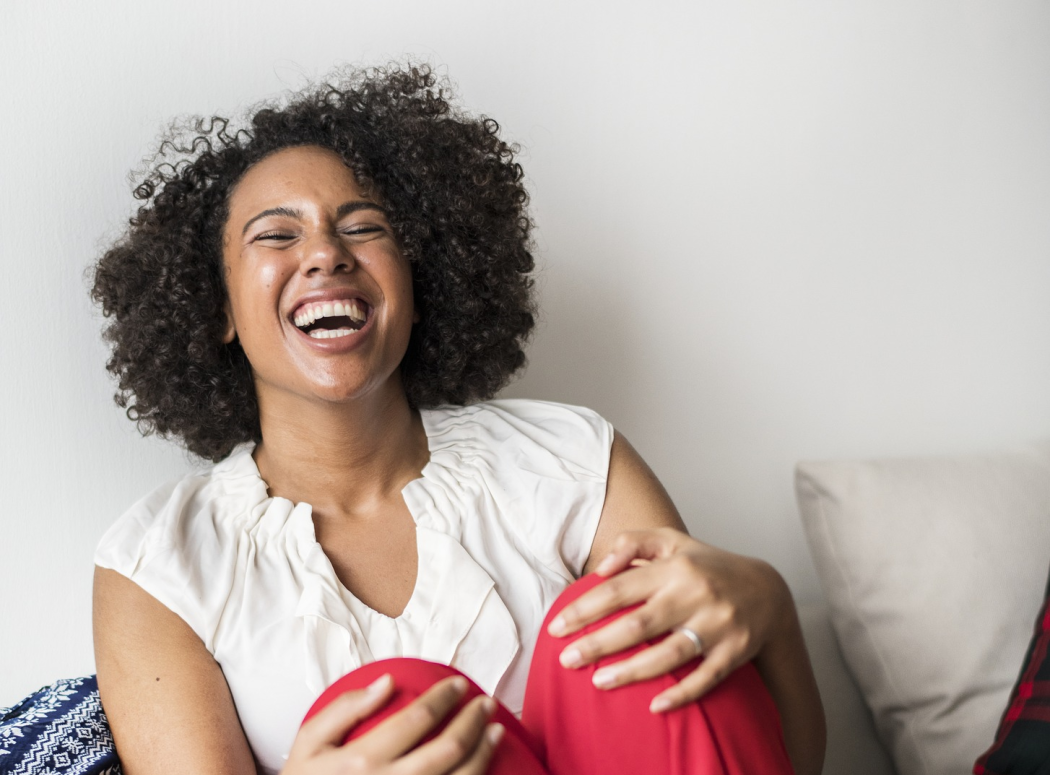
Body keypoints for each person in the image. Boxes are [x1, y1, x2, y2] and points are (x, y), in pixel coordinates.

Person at [90, 63, 825, 775]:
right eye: (277, 236)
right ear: (216, 307)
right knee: (388, 709)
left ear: (418, 276)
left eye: (363, 226)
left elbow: (753, 746)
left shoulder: (573, 462)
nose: (324, 254)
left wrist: (773, 607)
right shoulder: (158, 567)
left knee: (634, 620)